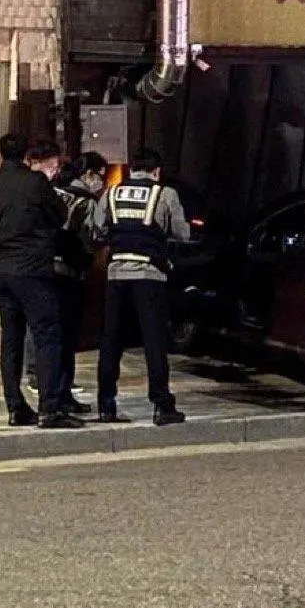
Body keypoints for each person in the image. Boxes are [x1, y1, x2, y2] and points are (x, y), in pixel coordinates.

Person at [0, 132, 84, 430]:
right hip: (33, 269)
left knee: (11, 340)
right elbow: (59, 215)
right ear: (26, 156)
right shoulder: (36, 182)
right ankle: (49, 408)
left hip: (2, 269)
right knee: (46, 334)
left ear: (1, 154)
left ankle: (15, 407)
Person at [93, 147, 189, 426]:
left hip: (116, 276)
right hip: (150, 275)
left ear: (132, 169)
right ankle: (162, 405)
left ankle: (106, 405)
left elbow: (97, 230)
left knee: (111, 341)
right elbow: (182, 233)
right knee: (154, 341)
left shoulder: (111, 193)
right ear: (156, 171)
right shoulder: (165, 194)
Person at [24, 145, 108, 414]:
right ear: (90, 175)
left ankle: (54, 387)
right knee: (66, 334)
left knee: (49, 330)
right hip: (69, 271)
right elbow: (92, 237)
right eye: (101, 176)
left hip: (45, 267)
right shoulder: (86, 202)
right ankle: (59, 393)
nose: (102, 182)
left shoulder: (54, 192)